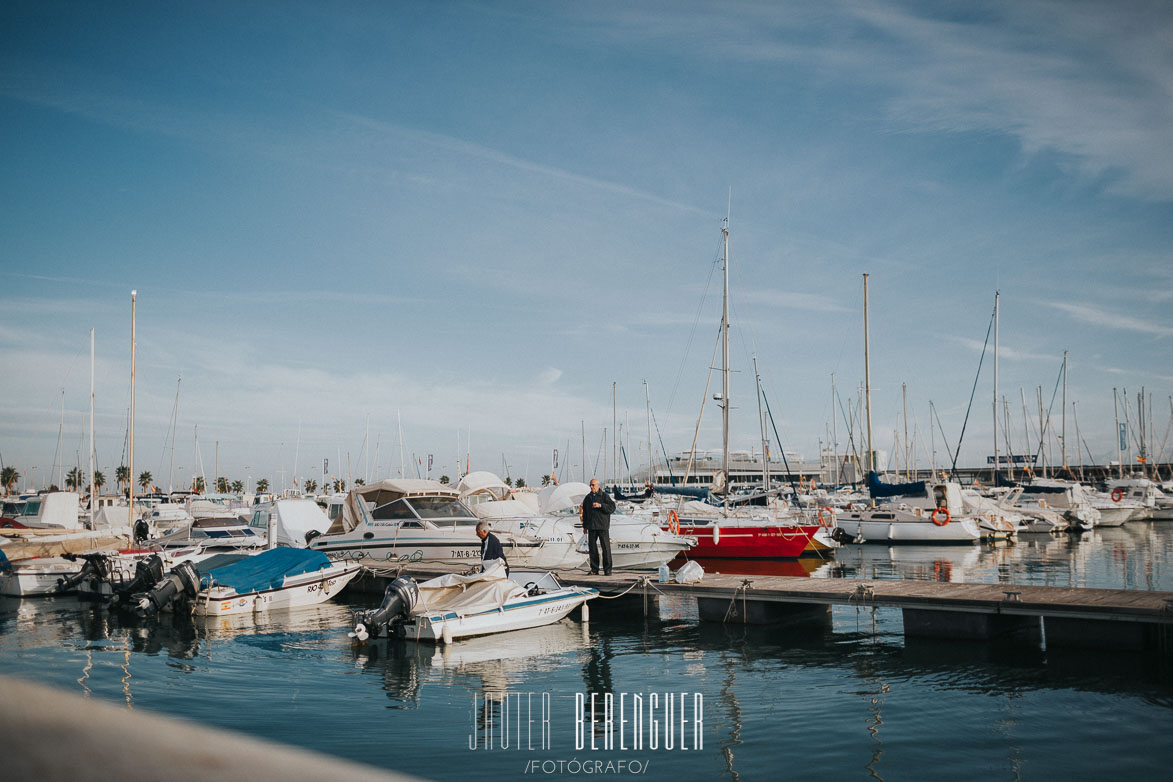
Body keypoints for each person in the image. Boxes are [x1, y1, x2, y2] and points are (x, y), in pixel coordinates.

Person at [580, 478, 616, 575]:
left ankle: (607, 570)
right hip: (591, 527)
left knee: (606, 548)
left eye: (593, 485)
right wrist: (585, 527)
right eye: (590, 485)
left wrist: (600, 506)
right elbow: (585, 513)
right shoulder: (587, 498)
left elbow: (612, 508)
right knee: (592, 549)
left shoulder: (604, 496)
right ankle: (594, 569)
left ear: (598, 485)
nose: (591, 487)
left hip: (602, 526)